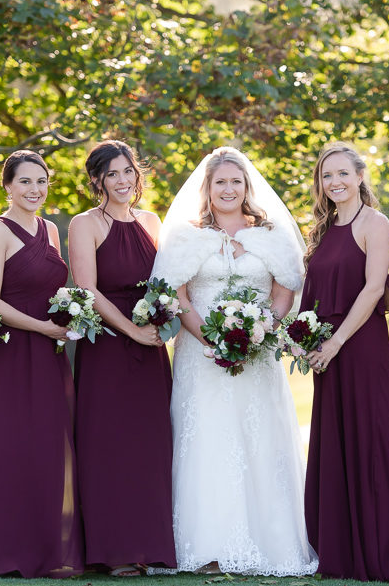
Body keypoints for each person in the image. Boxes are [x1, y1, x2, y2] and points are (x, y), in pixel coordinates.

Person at [151, 147, 318, 576]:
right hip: (200, 356)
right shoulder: (187, 235)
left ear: (247, 188)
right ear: (206, 188)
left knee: (258, 439)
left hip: (257, 358)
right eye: (220, 182)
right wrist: (215, 338)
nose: (228, 189)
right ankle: (204, 545)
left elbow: (285, 290)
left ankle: (271, 542)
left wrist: (257, 332)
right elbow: (178, 295)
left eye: (235, 182)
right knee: (206, 438)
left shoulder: (271, 233)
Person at [0, 150, 84, 578]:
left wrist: (68, 317)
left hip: (51, 352)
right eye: (26, 182)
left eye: (42, 182)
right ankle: (6, 551)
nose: (35, 190)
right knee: (11, 443)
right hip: (16, 349)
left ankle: (47, 549)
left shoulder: (51, 229)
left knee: (49, 445)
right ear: (8, 186)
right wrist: (41, 326)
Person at [301, 142, 389, 582]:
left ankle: (375, 554)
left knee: (370, 444)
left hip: (360, 348)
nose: (336, 182)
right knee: (336, 445)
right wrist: (304, 340)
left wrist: (336, 341)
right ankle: (338, 552)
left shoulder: (375, 223)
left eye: (343, 173)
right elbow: (312, 293)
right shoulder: (322, 230)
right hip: (327, 353)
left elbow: (371, 290)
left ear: (361, 176)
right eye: (327, 176)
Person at [68, 140, 175, 576]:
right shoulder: (85, 224)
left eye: (128, 171)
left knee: (149, 446)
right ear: (97, 180)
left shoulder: (152, 221)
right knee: (107, 445)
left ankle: (148, 546)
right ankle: (113, 552)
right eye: (112, 174)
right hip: (107, 350)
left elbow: (166, 283)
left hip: (151, 349)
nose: (122, 180)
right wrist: (130, 330)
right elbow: (88, 290)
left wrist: (159, 324)